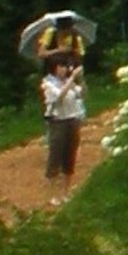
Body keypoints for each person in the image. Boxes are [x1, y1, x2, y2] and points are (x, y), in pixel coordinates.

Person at [37, 33, 91, 184]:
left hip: (72, 118)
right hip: (58, 119)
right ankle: (51, 185)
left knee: (70, 153)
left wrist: (78, 79)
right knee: (56, 152)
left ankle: (65, 187)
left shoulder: (76, 38)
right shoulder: (48, 83)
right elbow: (59, 96)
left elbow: (82, 94)